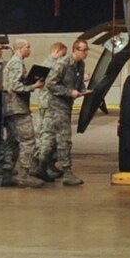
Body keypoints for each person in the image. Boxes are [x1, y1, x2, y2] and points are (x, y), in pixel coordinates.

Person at [34, 39, 89, 187]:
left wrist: (83, 91)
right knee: (64, 139)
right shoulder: (63, 64)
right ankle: (67, 172)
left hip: (65, 105)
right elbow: (50, 84)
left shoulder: (80, 65)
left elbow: (77, 83)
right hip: (56, 106)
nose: (86, 53)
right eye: (83, 50)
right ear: (75, 50)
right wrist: (69, 92)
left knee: (50, 139)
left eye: (86, 50)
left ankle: (40, 167)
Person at [0, 39, 44, 187]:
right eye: (28, 47)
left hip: (11, 108)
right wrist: (33, 86)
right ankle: (24, 175)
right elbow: (15, 86)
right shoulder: (16, 63)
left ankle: (6, 173)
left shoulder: (16, 63)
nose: (30, 49)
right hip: (17, 108)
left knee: (13, 142)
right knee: (28, 140)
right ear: (19, 48)